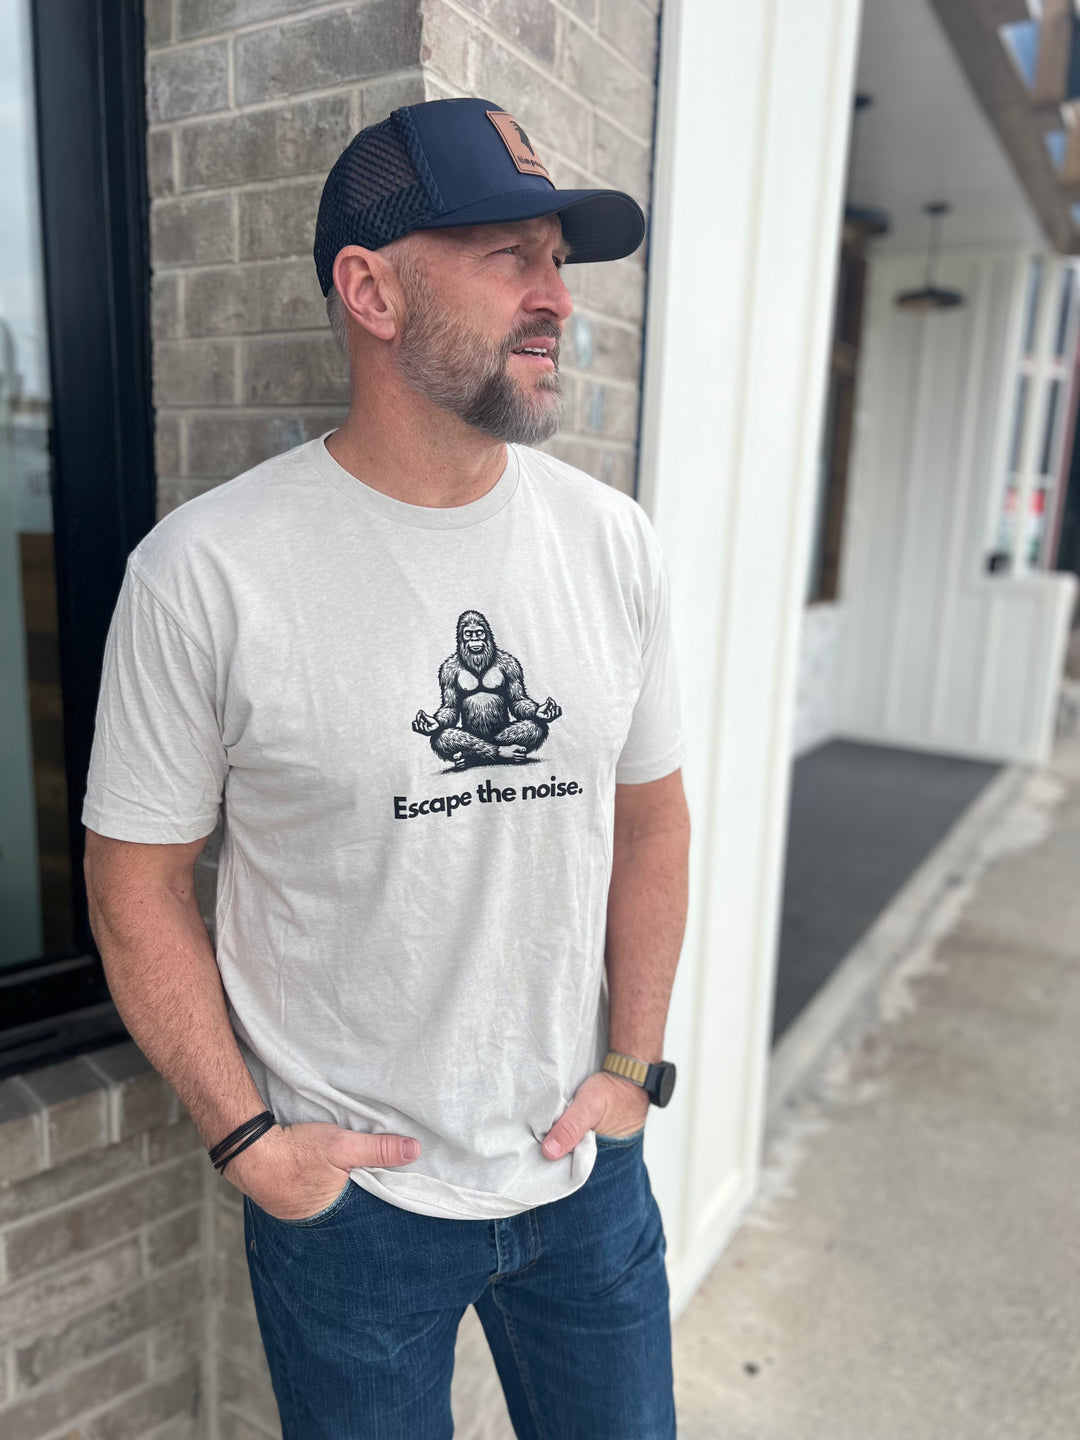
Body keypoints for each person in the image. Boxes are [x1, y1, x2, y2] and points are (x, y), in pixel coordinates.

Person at [83, 96, 690, 1439]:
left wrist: (634, 1069)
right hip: (353, 1206)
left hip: (583, 1179)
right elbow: (135, 881)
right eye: (507, 257)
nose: (556, 300)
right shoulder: (208, 575)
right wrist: (247, 1139)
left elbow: (650, 825)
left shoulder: (614, 546)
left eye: (559, 260)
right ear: (369, 287)